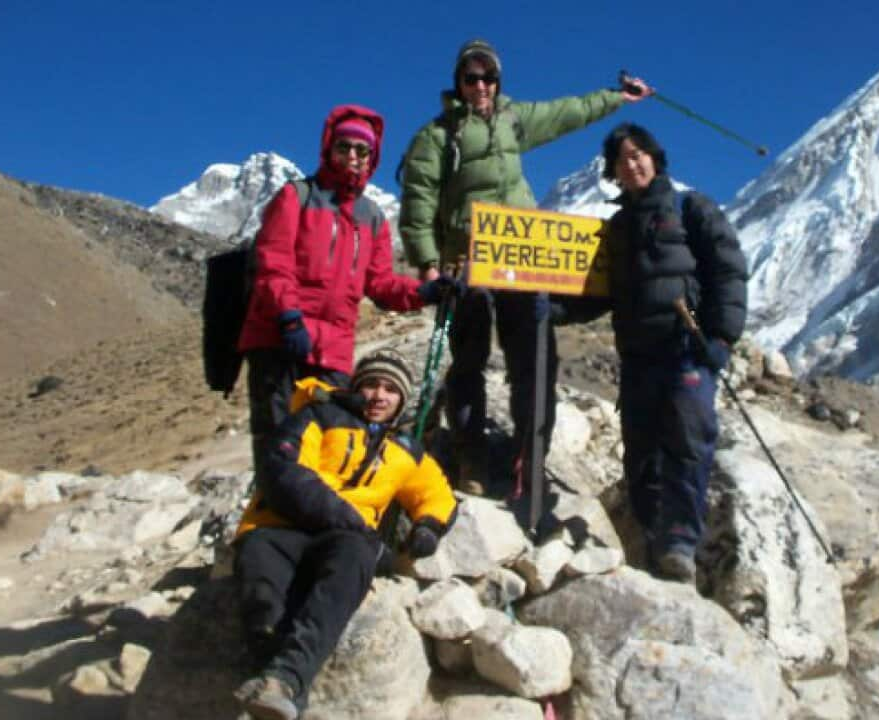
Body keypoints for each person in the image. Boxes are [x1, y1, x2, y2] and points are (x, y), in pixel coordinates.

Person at [397, 39, 653, 492]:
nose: (481, 85)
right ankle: (471, 460)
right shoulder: (437, 136)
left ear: (498, 81)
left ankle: (527, 459)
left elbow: (566, 112)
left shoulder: (514, 120)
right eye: (471, 77)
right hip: (466, 258)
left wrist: (616, 98)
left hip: (518, 257)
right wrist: (429, 266)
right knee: (468, 360)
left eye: (488, 77)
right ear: (458, 82)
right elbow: (418, 201)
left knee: (533, 357)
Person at [563, 123, 747, 582]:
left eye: (639, 153)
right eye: (623, 159)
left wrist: (722, 336)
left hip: (687, 347)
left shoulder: (691, 208)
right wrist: (551, 310)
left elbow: (728, 268)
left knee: (688, 442)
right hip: (639, 357)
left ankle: (681, 543)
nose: (633, 163)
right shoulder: (616, 230)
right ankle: (649, 541)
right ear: (614, 172)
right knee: (641, 455)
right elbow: (597, 294)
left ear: (655, 157)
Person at [232, 349, 457, 720]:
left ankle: (282, 682)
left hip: (344, 542)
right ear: (355, 388)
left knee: (353, 559)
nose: (379, 396)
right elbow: (283, 472)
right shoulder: (315, 416)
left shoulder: (406, 451)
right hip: (278, 527)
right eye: (370, 385)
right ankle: (275, 682)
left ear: (401, 400)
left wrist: (429, 525)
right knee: (263, 602)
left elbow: (437, 494)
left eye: (390, 389)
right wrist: (347, 516)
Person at [238, 104, 461, 477]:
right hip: (278, 340)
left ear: (372, 158)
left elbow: (380, 282)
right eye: (345, 147)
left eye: (363, 151)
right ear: (329, 148)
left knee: (329, 446)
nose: (353, 157)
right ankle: (264, 528)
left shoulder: (372, 218)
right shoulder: (297, 197)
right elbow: (273, 262)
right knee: (277, 443)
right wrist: (289, 317)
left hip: (333, 352)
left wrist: (426, 293)